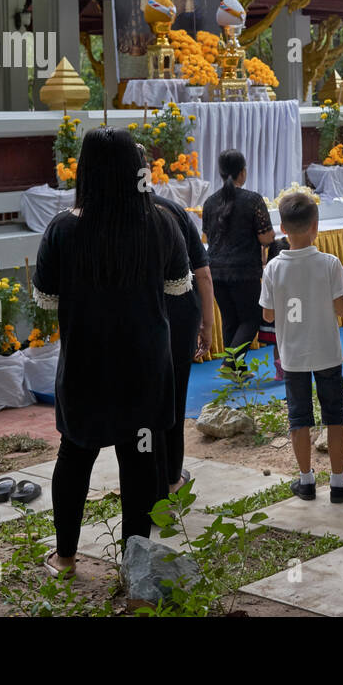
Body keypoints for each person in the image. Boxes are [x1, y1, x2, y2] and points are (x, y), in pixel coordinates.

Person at [33, 127, 192, 577]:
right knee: (141, 463)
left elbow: (45, 299)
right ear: (136, 171)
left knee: (74, 457)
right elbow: (176, 288)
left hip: (87, 367)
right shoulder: (161, 223)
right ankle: (134, 566)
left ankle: (64, 558)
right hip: (143, 368)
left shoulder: (64, 229)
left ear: (86, 171)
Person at [262, 192, 343, 504]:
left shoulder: (273, 269)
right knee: (334, 415)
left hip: (292, 355)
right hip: (327, 352)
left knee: (298, 417)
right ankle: (337, 481)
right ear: (315, 226)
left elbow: (267, 315)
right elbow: (342, 309)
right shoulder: (329, 263)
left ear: (282, 228)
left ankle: (305, 480)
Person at [141, 147, 216, 495]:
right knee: (172, 396)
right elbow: (202, 274)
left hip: (132, 320)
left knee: (140, 402)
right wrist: (207, 323)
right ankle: (170, 478)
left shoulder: (98, 215)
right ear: (148, 173)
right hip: (176, 315)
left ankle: (144, 479)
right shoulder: (170, 210)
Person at [203, 149, 275, 369]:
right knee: (251, 319)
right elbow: (266, 237)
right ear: (242, 172)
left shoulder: (209, 202)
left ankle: (236, 370)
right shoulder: (252, 200)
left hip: (215, 269)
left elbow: (207, 235)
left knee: (230, 320)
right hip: (244, 270)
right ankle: (230, 363)